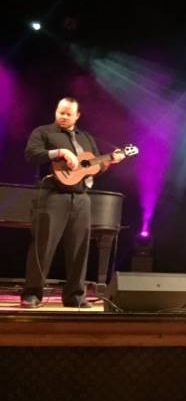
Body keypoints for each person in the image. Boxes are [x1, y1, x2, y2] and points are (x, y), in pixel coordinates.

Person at [21, 97, 125, 309]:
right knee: (43, 246)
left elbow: (93, 167)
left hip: (80, 198)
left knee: (79, 249)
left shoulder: (86, 138)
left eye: (68, 114)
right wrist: (59, 152)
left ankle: (75, 296)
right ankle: (32, 293)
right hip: (52, 196)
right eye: (61, 112)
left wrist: (110, 161)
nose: (63, 116)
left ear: (77, 116)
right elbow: (31, 155)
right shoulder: (43, 132)